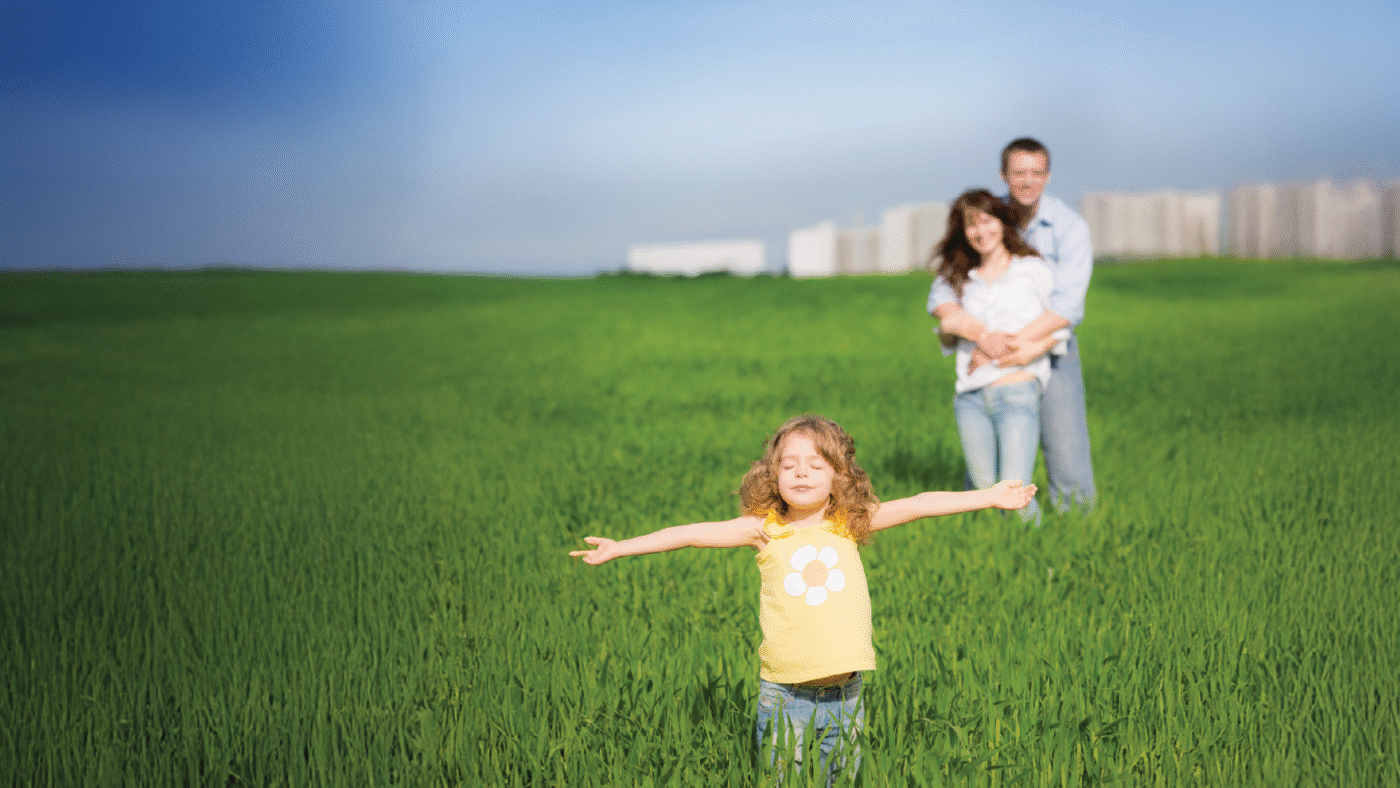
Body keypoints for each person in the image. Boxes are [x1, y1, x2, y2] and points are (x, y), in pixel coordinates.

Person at [569, 414, 1034, 786]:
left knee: (841, 778)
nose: (801, 473)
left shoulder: (849, 522)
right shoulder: (763, 529)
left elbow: (919, 503)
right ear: (772, 475)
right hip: (785, 695)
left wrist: (989, 496)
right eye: (789, 465)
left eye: (815, 465)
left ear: (838, 476)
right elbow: (689, 533)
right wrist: (620, 547)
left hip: (846, 694)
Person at [930, 138, 1097, 513]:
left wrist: (1009, 346)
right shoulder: (987, 216)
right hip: (987, 363)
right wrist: (982, 337)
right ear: (1003, 175)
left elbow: (1067, 307)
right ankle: (985, 526)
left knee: (1066, 449)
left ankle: (1076, 525)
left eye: (1037, 172)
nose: (1028, 181)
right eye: (1019, 172)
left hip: (1050, 345)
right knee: (986, 469)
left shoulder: (1069, 227)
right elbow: (941, 295)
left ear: (1048, 176)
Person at [929, 190, 1068, 527]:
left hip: (1017, 391)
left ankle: (1042, 551)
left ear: (1003, 222)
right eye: (971, 225)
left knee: (1015, 495)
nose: (981, 232)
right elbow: (947, 325)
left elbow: (1061, 323)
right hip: (971, 396)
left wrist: (1022, 348)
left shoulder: (1033, 270)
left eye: (987, 221)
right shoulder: (960, 279)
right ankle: (991, 550)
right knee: (982, 491)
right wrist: (978, 337)